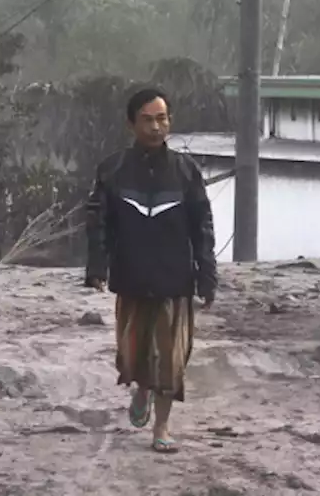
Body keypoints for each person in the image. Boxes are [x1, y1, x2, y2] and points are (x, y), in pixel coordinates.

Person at [84, 87, 218, 453]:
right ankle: (139, 388)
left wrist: (207, 275)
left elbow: (202, 226)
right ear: (131, 124)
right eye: (147, 119)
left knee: (171, 361)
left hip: (175, 280)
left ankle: (162, 427)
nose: (156, 127)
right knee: (132, 355)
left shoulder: (186, 172)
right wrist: (97, 266)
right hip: (130, 277)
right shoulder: (112, 170)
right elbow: (98, 223)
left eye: (162, 118)